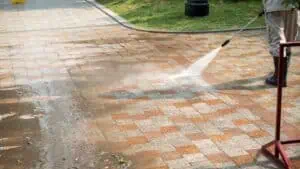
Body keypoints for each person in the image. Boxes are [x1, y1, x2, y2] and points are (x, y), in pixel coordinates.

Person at [264, 0, 298, 87]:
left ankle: (279, 78)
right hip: (292, 5)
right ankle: (280, 75)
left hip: (274, 5)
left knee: (278, 41)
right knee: (288, 40)